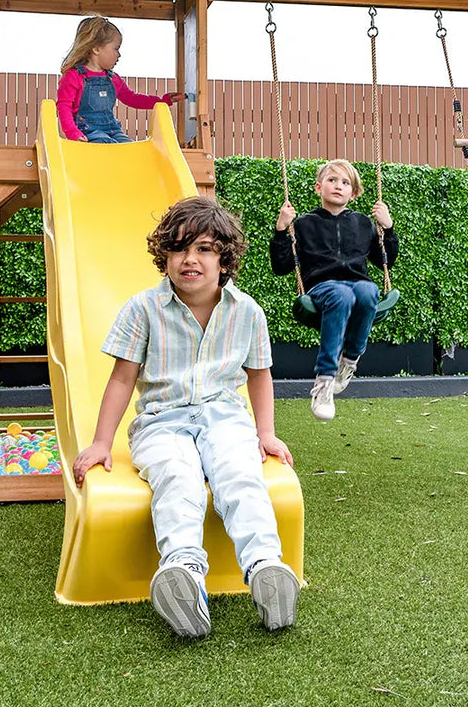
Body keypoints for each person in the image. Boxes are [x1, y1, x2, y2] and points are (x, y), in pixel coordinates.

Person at [72, 197, 299, 639]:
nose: (189, 259)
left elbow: (260, 376)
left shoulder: (246, 311)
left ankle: (266, 569)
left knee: (239, 473)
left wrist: (265, 433)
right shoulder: (142, 309)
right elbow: (121, 380)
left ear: (225, 258)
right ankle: (184, 574)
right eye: (178, 249)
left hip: (225, 419)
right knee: (178, 477)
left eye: (205, 249)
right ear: (165, 256)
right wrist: (102, 442)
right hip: (162, 421)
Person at [270, 159, 399, 421]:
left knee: (369, 292)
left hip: (356, 284)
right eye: (332, 180)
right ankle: (325, 380)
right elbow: (281, 266)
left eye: (345, 182)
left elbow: (386, 259)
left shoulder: (363, 223)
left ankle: (349, 360)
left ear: (354, 193)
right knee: (341, 294)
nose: (338, 186)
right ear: (319, 187)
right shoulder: (305, 224)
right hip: (321, 288)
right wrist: (281, 229)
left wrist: (388, 227)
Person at [56, 15, 187, 143]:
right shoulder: (74, 76)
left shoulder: (112, 78)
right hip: (88, 132)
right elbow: (64, 107)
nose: (119, 54)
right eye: (116, 48)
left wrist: (162, 101)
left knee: (130, 147)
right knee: (105, 144)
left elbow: (132, 98)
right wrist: (73, 133)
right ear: (96, 48)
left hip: (113, 130)